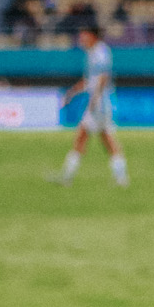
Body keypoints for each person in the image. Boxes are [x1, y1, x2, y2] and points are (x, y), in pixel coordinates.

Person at [51, 24, 127, 188]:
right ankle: (120, 177)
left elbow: (103, 78)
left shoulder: (100, 52)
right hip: (98, 101)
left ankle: (67, 177)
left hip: (100, 102)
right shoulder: (92, 53)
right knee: (99, 138)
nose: (81, 39)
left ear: (93, 36)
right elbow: (89, 80)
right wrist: (71, 93)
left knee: (93, 138)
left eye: (84, 35)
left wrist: (94, 101)